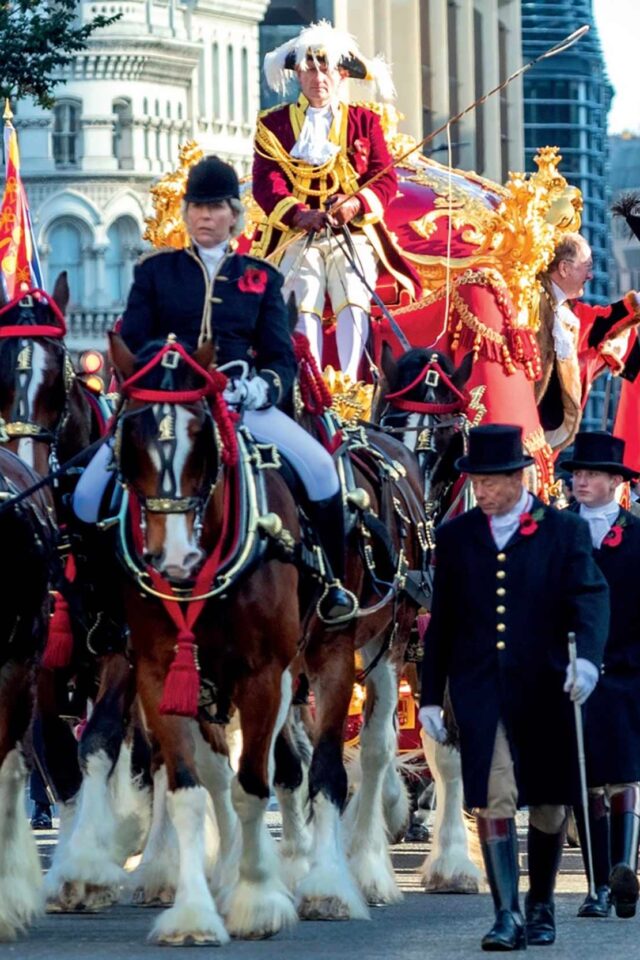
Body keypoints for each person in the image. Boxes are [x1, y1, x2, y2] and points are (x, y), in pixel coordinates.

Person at [73, 155, 356, 627]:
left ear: (233, 215)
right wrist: (162, 376)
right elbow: (135, 343)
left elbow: (280, 358)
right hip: (167, 407)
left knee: (323, 471)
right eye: (197, 208)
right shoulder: (155, 273)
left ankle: (331, 584)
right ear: (186, 214)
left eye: (215, 208)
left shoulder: (261, 277)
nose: (205, 217)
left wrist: (260, 387)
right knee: (85, 495)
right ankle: (100, 606)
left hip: (241, 404)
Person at [419, 423, 609, 951]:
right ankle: (505, 914)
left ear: (517, 478)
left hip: (547, 684)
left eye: (490, 482)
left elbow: (591, 598)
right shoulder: (457, 537)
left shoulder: (562, 531)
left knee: (548, 802)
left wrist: (587, 661)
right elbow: (444, 622)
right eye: (475, 482)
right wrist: (431, 696)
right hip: (481, 686)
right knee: (493, 793)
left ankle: (540, 903)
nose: (480, 491)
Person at [251, 20, 421, 380]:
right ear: (298, 74)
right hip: (296, 233)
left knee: (352, 282)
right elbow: (266, 182)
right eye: (309, 69)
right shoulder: (273, 125)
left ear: (341, 74)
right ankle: (310, 379)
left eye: (325, 68)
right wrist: (298, 215)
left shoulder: (365, 121)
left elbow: (384, 177)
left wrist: (354, 204)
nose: (318, 78)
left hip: (352, 232)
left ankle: (348, 379)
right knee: (303, 287)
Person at [565, 431, 640, 920]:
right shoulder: (554, 531)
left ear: (616, 482)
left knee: (625, 773)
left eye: (593, 474)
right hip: (572, 672)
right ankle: (596, 886)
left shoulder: (638, 535)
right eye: (577, 473)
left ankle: (623, 871)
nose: (582, 481)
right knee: (586, 778)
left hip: (628, 670)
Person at [536, 232, 640, 452]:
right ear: (564, 268)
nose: (591, 275)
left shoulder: (567, 310)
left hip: (542, 437)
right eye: (587, 266)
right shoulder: (531, 302)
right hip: (524, 423)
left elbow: (603, 322)